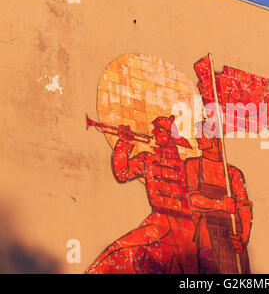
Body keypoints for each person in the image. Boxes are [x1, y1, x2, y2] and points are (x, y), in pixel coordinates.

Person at [86, 115, 198, 274]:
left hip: (186, 227)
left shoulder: (188, 166)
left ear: (170, 135)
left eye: (159, 130)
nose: (153, 132)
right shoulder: (148, 159)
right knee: (118, 255)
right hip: (159, 220)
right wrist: (124, 142)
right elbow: (122, 173)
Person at [185, 121, 253, 274]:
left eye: (202, 133)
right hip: (207, 236)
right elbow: (193, 200)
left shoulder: (233, 173)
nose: (197, 137)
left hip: (232, 238)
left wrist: (243, 237)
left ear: (215, 137)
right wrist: (220, 205)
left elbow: (244, 207)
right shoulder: (194, 165)